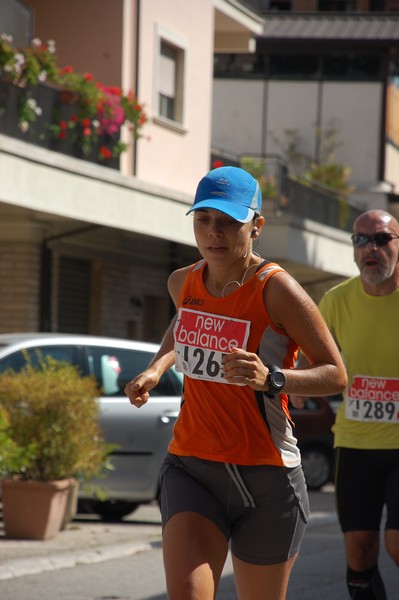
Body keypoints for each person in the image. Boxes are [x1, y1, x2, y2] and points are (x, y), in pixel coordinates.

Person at [124, 166, 347, 600]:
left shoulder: (277, 290)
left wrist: (273, 379)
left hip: (268, 477)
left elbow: (335, 373)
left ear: (256, 226)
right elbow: (184, 324)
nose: (215, 233)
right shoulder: (181, 281)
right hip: (192, 466)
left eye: (229, 222)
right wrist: (155, 368)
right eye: (204, 219)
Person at [315, 209, 399, 599]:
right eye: (361, 239)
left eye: (382, 239)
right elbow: (309, 360)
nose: (371, 247)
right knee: (359, 552)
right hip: (355, 443)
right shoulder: (335, 301)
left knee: (397, 545)